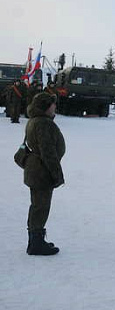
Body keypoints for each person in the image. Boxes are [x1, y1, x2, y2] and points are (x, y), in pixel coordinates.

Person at [24, 92, 64, 256]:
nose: (55, 106)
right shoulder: (43, 124)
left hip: (35, 168)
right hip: (42, 170)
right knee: (41, 206)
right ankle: (36, 243)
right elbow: (48, 152)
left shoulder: (35, 120)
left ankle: (35, 240)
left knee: (37, 205)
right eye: (52, 104)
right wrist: (56, 174)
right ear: (46, 107)